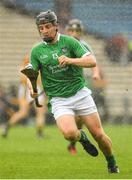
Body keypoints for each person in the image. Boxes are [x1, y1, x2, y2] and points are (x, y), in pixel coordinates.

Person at [28, 10, 119, 173]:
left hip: (80, 94)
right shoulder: (36, 51)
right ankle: (82, 138)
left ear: (56, 26)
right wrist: (31, 89)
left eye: (47, 27)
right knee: (70, 134)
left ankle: (112, 163)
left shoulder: (70, 42)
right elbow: (31, 75)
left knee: (99, 135)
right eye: (40, 28)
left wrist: (70, 60)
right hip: (58, 99)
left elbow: (92, 61)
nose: (44, 31)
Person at [65, 19, 109, 154]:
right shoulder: (62, 45)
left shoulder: (84, 45)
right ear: (67, 31)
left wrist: (96, 74)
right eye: (71, 31)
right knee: (74, 119)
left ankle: (73, 142)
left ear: (81, 32)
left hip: (80, 85)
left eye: (77, 31)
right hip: (65, 85)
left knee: (80, 118)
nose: (74, 33)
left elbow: (93, 62)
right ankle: (74, 139)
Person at [2, 55, 47, 138]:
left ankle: (7, 127)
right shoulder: (35, 68)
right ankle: (39, 134)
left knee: (24, 113)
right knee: (39, 113)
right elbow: (37, 81)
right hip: (31, 90)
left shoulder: (23, 68)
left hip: (27, 91)